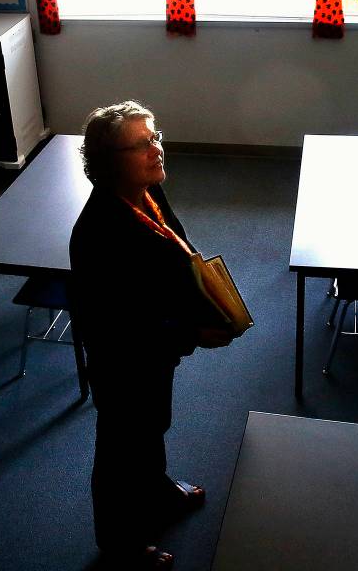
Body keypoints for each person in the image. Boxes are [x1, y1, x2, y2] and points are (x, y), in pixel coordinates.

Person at [69, 101, 234, 570]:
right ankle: (119, 545)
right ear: (107, 161)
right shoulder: (100, 232)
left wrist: (208, 295)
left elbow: (177, 248)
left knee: (153, 426)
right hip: (124, 362)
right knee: (123, 447)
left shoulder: (145, 193)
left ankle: (157, 491)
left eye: (155, 137)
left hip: (158, 352)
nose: (156, 149)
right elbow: (121, 327)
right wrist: (193, 331)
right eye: (141, 145)